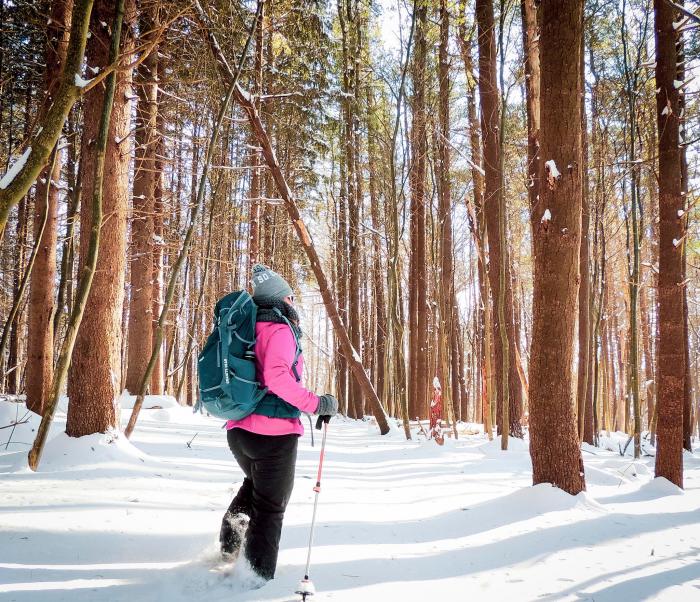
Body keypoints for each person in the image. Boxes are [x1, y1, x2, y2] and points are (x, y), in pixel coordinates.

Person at [220, 264, 338, 582]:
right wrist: (316, 403)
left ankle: (228, 549)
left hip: (239, 431)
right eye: (290, 296)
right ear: (282, 299)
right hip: (273, 434)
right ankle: (257, 578)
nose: (293, 302)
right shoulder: (281, 329)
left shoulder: (248, 326)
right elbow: (276, 377)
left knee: (254, 487)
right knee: (271, 507)